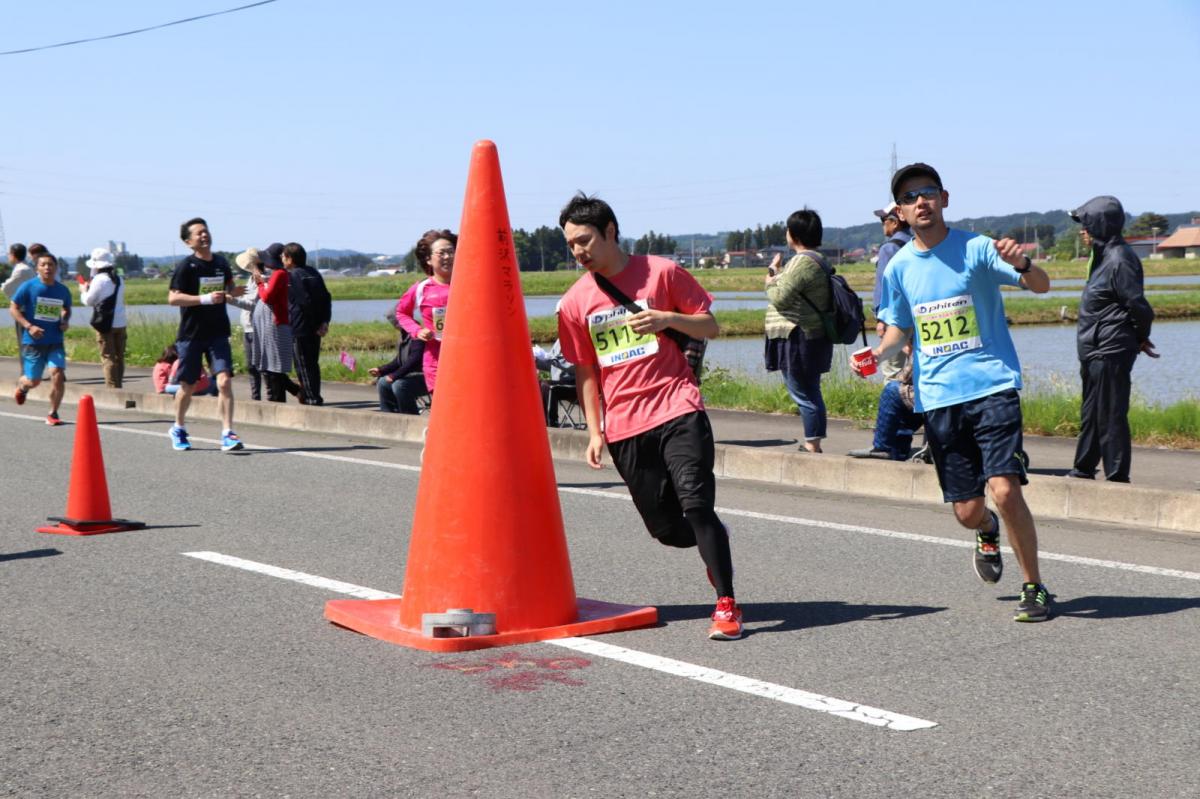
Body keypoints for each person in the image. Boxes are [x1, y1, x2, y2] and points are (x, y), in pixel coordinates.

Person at [855, 162, 1055, 622]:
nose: (920, 201)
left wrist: (1023, 262)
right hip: (939, 397)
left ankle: (1035, 586)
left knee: (1005, 490)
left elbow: (1041, 286)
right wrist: (876, 356)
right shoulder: (900, 267)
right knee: (968, 510)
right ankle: (985, 531)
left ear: (945, 198)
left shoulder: (978, 249)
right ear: (900, 212)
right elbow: (899, 331)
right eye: (909, 197)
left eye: (927, 192)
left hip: (992, 386)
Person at [556, 193, 741, 641]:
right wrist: (594, 431)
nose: (579, 252)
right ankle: (710, 535)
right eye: (571, 245)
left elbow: (709, 325)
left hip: (678, 405)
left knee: (696, 504)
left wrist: (666, 318)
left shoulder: (662, 272)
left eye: (585, 241)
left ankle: (726, 604)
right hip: (624, 426)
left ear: (611, 232)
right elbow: (586, 372)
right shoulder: (573, 303)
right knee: (667, 530)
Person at [1067, 196, 1157, 484]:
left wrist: (1140, 338)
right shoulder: (1104, 255)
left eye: (1085, 223)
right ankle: (1083, 469)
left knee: (1111, 414)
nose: (1082, 230)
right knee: (1092, 412)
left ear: (1099, 224)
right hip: (1095, 349)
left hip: (1111, 348)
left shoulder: (1120, 259)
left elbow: (1139, 306)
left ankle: (1118, 477)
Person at [167, 217, 246, 452]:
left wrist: (234, 292)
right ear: (188, 242)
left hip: (218, 332)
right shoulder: (186, 266)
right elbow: (172, 298)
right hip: (192, 335)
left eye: (206, 231)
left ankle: (227, 433)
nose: (204, 235)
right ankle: (178, 427)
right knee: (188, 386)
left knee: (224, 381)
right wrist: (204, 299)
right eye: (199, 233)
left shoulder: (221, 263)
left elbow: (228, 290)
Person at [763, 209, 834, 453]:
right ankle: (813, 441)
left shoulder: (803, 262)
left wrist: (769, 281)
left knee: (803, 391)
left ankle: (812, 444)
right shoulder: (814, 260)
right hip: (808, 334)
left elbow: (780, 296)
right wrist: (777, 273)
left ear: (794, 234)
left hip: (799, 335)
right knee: (809, 389)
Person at [10, 252, 71, 425]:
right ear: (37, 268)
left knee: (57, 375)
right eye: (43, 264)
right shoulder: (28, 287)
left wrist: (65, 320)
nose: (47, 268)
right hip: (33, 342)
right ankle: (22, 387)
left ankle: (53, 413)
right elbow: (13, 308)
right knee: (34, 381)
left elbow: (66, 308)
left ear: (56, 267)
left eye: (50, 264)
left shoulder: (62, 290)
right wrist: (29, 326)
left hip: (55, 341)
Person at [396, 229, 455, 397]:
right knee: (444, 408)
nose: (447, 257)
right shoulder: (421, 288)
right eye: (441, 253)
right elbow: (402, 313)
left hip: (468, 358)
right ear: (428, 259)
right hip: (436, 360)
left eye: (451, 252)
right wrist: (418, 331)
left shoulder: (471, 285)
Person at [244, 243, 294, 403]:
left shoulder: (279, 274)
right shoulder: (277, 274)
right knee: (269, 366)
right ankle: (276, 398)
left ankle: (277, 401)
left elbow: (267, 297)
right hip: (270, 325)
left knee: (274, 367)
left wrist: (259, 282)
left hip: (276, 325)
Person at [284, 242, 331, 405]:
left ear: (290, 259)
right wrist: (324, 321)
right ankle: (314, 395)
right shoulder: (314, 272)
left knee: (303, 365)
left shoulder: (294, 275)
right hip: (316, 327)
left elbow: (304, 302)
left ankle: (312, 398)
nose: (283, 260)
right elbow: (326, 297)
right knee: (312, 364)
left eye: (284, 256)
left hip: (302, 327)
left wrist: (315, 324)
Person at [79, 246, 128, 388]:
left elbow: (89, 301)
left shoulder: (100, 279)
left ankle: (112, 388)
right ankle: (118, 385)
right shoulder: (118, 279)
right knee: (119, 357)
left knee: (108, 357)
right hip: (120, 323)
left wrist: (83, 290)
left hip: (105, 324)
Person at [369, 325, 427, 414]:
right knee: (382, 382)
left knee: (400, 385)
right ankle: (390, 416)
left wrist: (395, 375)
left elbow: (413, 361)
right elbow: (398, 361)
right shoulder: (403, 336)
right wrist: (381, 370)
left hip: (427, 376)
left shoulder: (419, 336)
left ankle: (409, 417)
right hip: (413, 375)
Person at [229, 250, 262, 401]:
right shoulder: (251, 279)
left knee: (260, 366)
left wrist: (232, 300)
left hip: (256, 328)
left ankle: (290, 390)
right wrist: (237, 294)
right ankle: (255, 397)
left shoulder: (260, 279)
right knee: (251, 366)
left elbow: (253, 305)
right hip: (248, 327)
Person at [3, 243, 35, 359]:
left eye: (9, 254)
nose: (8, 256)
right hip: (29, 307)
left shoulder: (21, 270)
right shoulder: (27, 267)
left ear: (13, 255)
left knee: (24, 340)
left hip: (23, 309)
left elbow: (8, 287)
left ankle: (27, 371)